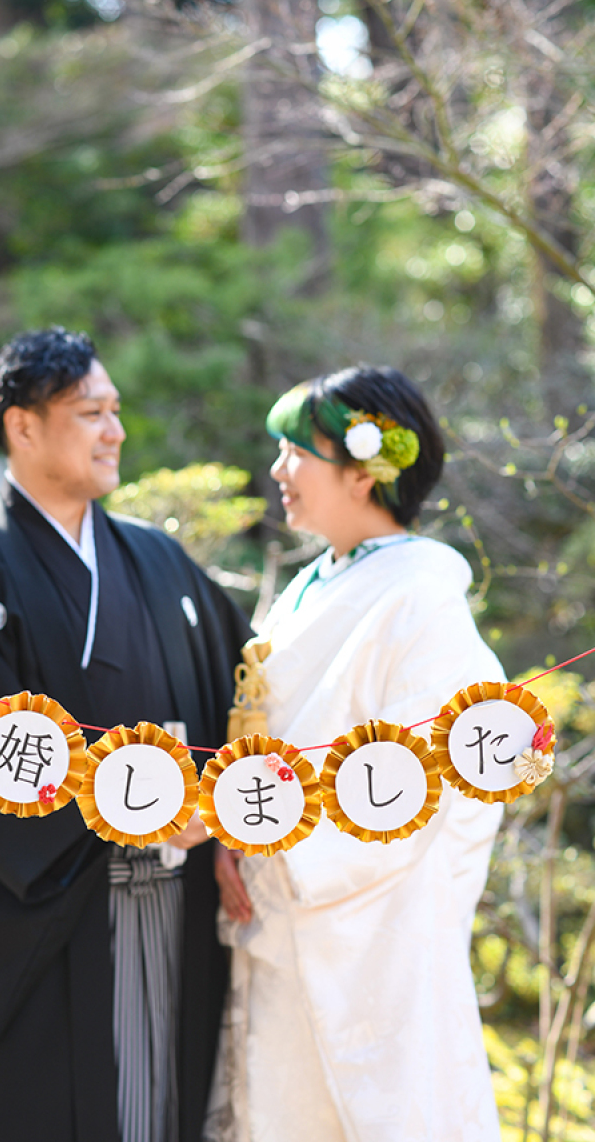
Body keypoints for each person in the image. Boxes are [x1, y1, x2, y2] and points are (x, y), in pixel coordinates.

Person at [0, 327, 249, 1142]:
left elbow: (249, 690)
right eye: (91, 411)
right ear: (23, 426)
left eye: (115, 411)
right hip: (53, 915)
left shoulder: (162, 562)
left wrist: (234, 818)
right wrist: (133, 810)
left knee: (165, 1099)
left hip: (179, 891)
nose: (115, 431)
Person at [208, 366, 503, 1142]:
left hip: (367, 924)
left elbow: (444, 770)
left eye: (295, 451)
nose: (278, 471)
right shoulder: (313, 582)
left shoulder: (420, 597)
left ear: (365, 472)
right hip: (281, 907)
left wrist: (292, 848)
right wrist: (237, 838)